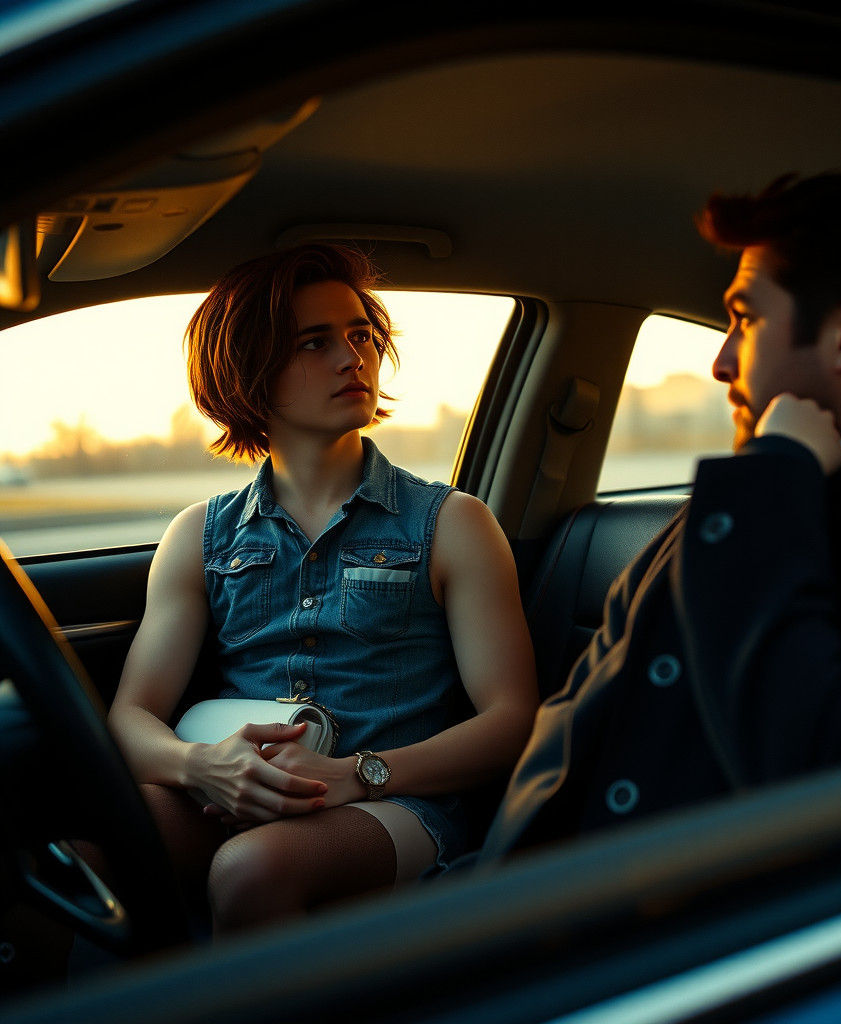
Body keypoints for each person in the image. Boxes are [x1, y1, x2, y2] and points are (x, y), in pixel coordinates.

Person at [479, 165, 841, 860]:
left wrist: (774, 476)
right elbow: (569, 742)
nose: (722, 360)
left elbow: (836, 772)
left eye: (746, 318)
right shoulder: (740, 501)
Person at [108, 243, 538, 930]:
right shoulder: (200, 536)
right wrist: (203, 767)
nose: (352, 358)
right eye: (315, 342)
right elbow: (130, 718)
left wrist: (361, 773)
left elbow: (513, 721)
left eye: (361, 335)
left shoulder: (452, 524)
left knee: (252, 867)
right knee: (99, 840)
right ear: (249, 373)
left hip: (398, 807)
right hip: (236, 796)